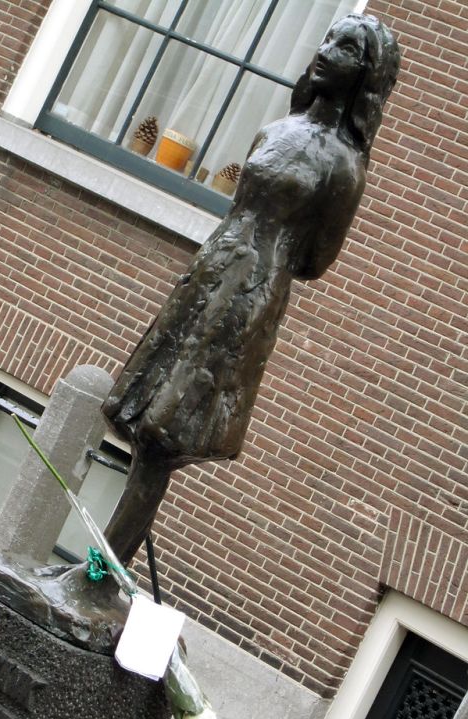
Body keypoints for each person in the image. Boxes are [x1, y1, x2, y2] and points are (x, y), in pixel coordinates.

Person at [101, 14, 400, 565]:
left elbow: (314, 262)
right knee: (145, 426)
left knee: (163, 440)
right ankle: (97, 572)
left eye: (347, 48)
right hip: (209, 274)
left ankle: (97, 575)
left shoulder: (345, 166)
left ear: (367, 75)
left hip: (247, 299)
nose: (326, 50)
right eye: (328, 37)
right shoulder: (276, 130)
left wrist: (267, 252)